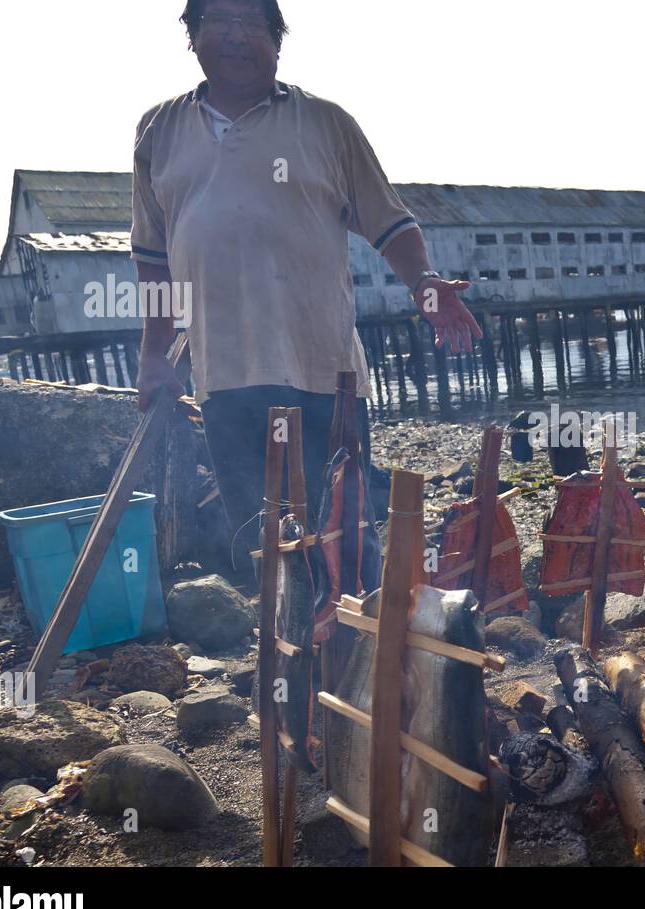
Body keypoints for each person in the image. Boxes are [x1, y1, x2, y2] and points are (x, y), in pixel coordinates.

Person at [131, 0, 480, 584]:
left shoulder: (326, 124)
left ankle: (358, 659)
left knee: (345, 533)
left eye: (252, 22)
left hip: (324, 374)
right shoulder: (158, 131)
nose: (236, 35)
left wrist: (425, 285)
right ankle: (286, 660)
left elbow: (388, 222)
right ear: (191, 36)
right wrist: (151, 355)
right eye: (218, 20)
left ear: (278, 39)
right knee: (260, 542)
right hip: (224, 377)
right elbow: (153, 259)